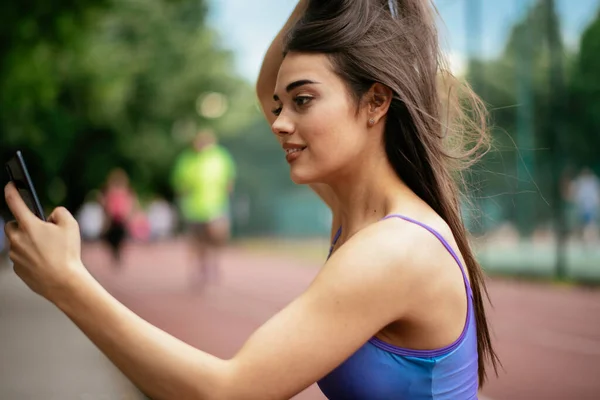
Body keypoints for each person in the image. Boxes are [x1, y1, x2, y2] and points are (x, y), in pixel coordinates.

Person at [3, 1, 499, 399]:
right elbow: (270, 86)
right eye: (282, 106)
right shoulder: (358, 212)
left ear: (376, 101)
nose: (280, 121)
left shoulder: (395, 248)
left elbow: (228, 392)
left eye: (303, 101)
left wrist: (67, 283)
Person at [171, 129, 236, 286]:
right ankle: (201, 266)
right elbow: (178, 181)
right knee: (198, 241)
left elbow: (230, 175)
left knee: (217, 235)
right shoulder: (187, 159)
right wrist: (183, 189)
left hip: (216, 205)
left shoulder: (221, 156)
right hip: (194, 208)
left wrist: (228, 187)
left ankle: (214, 261)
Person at [99, 168, 136, 267]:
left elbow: (129, 204)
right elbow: (106, 204)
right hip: (113, 219)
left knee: (120, 238)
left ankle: (117, 254)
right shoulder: (111, 192)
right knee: (111, 239)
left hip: (120, 219)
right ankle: (115, 253)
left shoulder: (125, 192)